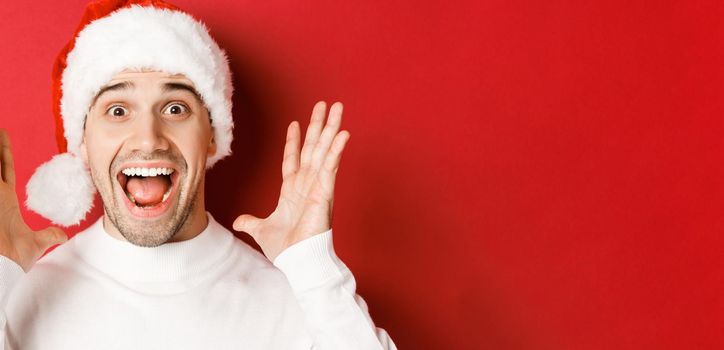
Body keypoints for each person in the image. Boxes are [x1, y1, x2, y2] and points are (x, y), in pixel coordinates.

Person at [0, 0, 396, 349]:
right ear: (82, 143)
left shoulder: (298, 300)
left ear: (213, 136)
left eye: (175, 108)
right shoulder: (21, 297)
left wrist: (314, 269)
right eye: (118, 110)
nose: (148, 139)